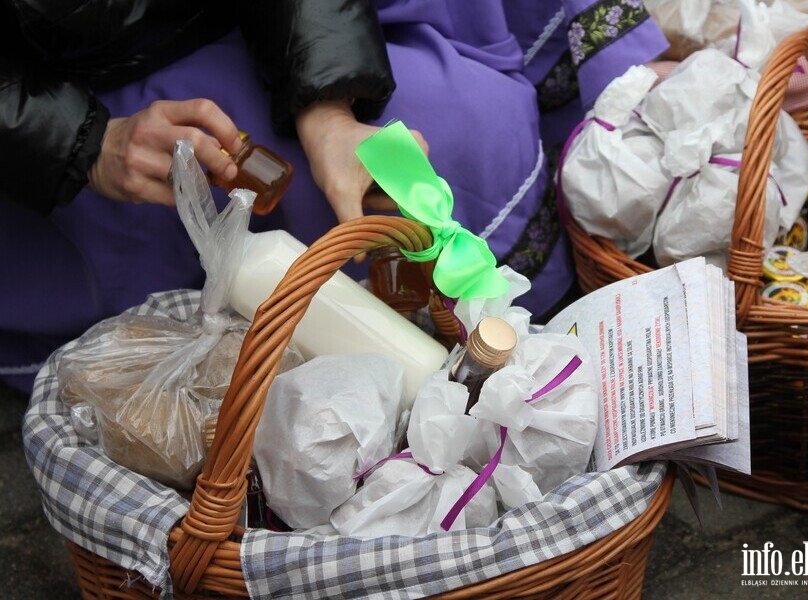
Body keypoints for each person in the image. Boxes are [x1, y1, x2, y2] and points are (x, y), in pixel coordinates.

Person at [0, 0, 669, 394]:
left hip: (265, 23)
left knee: (448, 131)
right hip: (59, 97)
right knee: (451, 150)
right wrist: (83, 145)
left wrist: (326, 107)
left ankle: (625, 118)